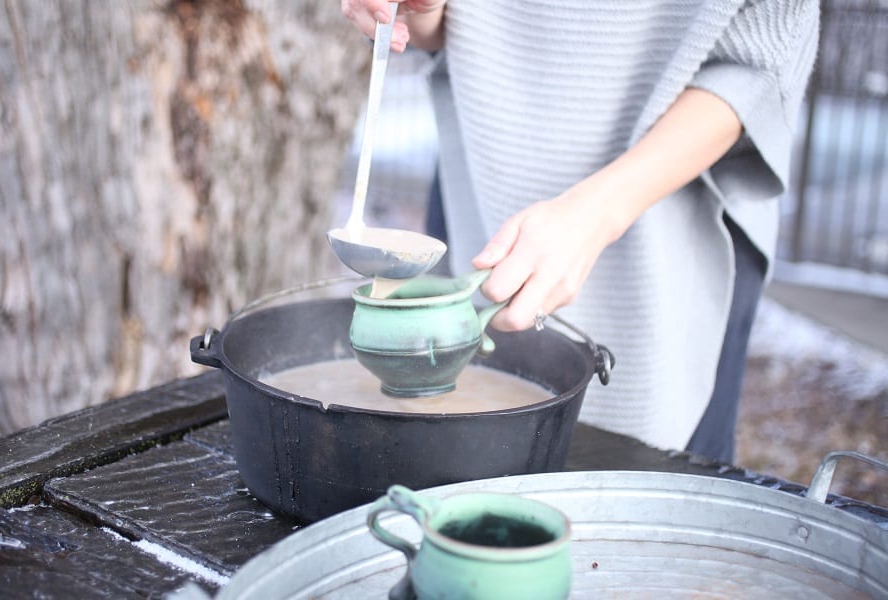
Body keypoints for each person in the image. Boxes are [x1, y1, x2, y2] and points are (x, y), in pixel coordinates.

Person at [340, 1, 819, 463]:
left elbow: (763, 54)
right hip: (477, 172)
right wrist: (423, 13)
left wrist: (599, 211)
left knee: (651, 485)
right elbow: (449, 24)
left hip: (678, 211)